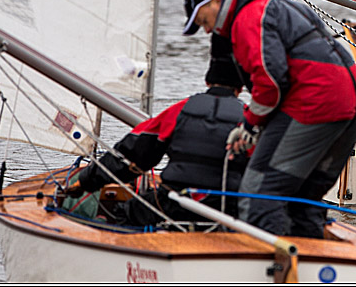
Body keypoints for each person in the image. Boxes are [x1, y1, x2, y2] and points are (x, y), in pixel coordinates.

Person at [182, 0, 356, 239]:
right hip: (354, 103)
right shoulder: (279, 5)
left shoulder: (247, 16)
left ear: (216, 1)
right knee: (304, 197)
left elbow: (270, 82)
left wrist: (249, 124)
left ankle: (265, 271)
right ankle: (306, 265)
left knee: (258, 192)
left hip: (316, 103)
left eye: (203, 21)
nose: (206, 30)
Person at [65, 48, 249, 228]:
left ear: (208, 82)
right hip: (225, 211)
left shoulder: (179, 111)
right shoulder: (249, 119)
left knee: (124, 212)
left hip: (173, 204)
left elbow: (131, 155)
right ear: (240, 88)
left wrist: (86, 181)